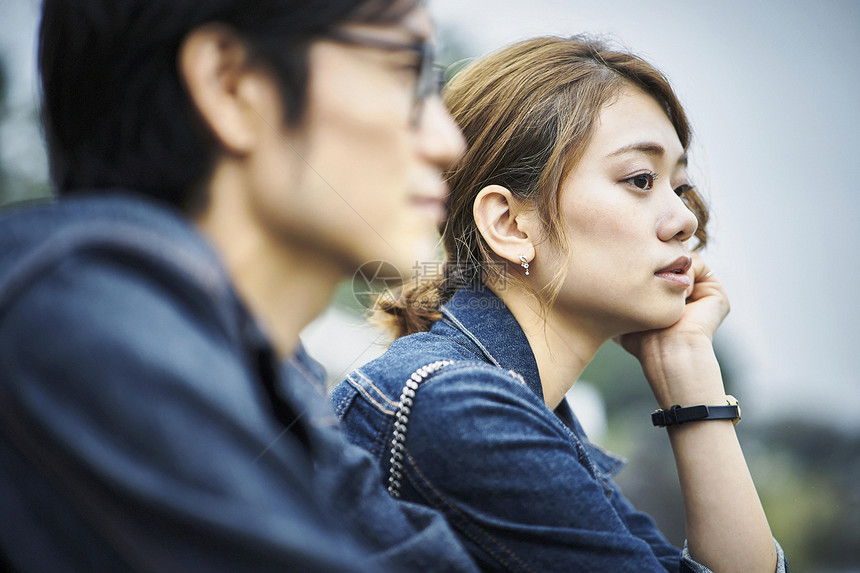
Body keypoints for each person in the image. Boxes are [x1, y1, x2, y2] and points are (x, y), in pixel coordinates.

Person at [0, 0, 478, 571]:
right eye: (408, 71)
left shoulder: (269, 368)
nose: (449, 143)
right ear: (232, 87)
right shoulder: (82, 328)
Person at [332, 36, 788, 572]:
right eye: (640, 179)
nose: (685, 220)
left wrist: (688, 368)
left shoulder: (533, 417)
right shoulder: (462, 408)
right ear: (509, 224)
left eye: (681, 187)